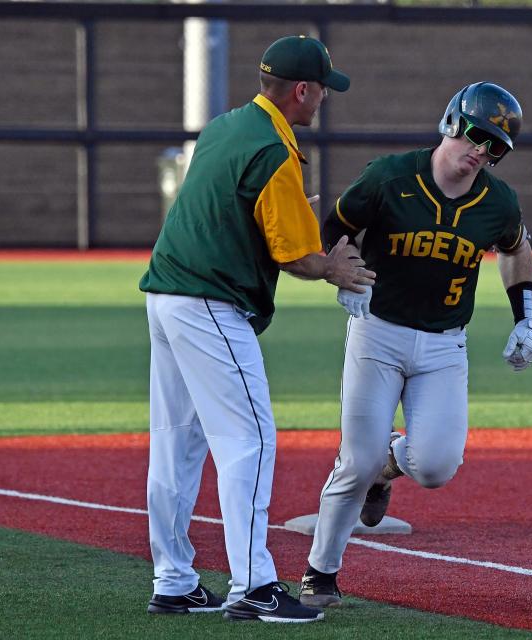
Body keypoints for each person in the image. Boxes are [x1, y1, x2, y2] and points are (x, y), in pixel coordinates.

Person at [139, 35, 373, 623]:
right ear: (301, 90)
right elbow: (298, 257)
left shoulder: (226, 126)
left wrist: (292, 213)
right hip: (210, 303)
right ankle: (254, 586)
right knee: (252, 440)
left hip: (167, 296)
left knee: (177, 442)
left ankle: (174, 580)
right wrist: (335, 268)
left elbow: (236, 209)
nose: (323, 98)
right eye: (321, 88)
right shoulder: (274, 148)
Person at [297, 82, 532, 607]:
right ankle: (321, 572)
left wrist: (527, 318)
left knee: (435, 467)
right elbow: (335, 227)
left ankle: (392, 462)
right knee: (355, 462)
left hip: (444, 345)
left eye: (496, 146)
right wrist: (343, 275)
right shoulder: (389, 176)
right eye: (477, 135)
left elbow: (516, 248)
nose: (481, 150)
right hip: (378, 332)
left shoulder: (497, 201)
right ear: (451, 122)